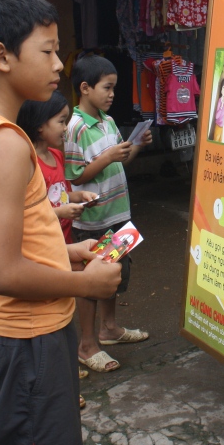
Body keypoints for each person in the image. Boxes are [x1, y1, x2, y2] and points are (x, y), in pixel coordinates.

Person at [0, 0, 122, 445]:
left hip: (14, 338)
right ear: (1, 57)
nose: (57, 66)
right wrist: (83, 282)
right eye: (47, 51)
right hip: (24, 343)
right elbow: (1, 271)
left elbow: (4, 243)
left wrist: (66, 252)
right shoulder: (5, 145)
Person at [65, 55, 152, 374]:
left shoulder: (108, 120)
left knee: (113, 276)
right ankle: (87, 344)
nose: (112, 94)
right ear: (85, 88)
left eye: (114, 88)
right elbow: (74, 177)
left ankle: (109, 329)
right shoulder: (74, 127)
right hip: (91, 221)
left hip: (117, 214)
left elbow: (120, 162)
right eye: (107, 87)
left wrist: (137, 145)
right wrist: (107, 156)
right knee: (90, 283)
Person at [17, 91, 100, 246]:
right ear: (40, 125)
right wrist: (60, 213)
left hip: (64, 241)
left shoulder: (57, 156)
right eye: (61, 121)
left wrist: (81, 196)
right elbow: (25, 214)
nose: (65, 128)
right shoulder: (27, 163)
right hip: (43, 245)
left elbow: (61, 195)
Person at [213, 78, 224, 143]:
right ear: (221, 89)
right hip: (218, 126)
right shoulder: (220, 101)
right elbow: (216, 117)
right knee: (215, 143)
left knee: (220, 143)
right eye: (223, 87)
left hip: (221, 127)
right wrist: (221, 106)